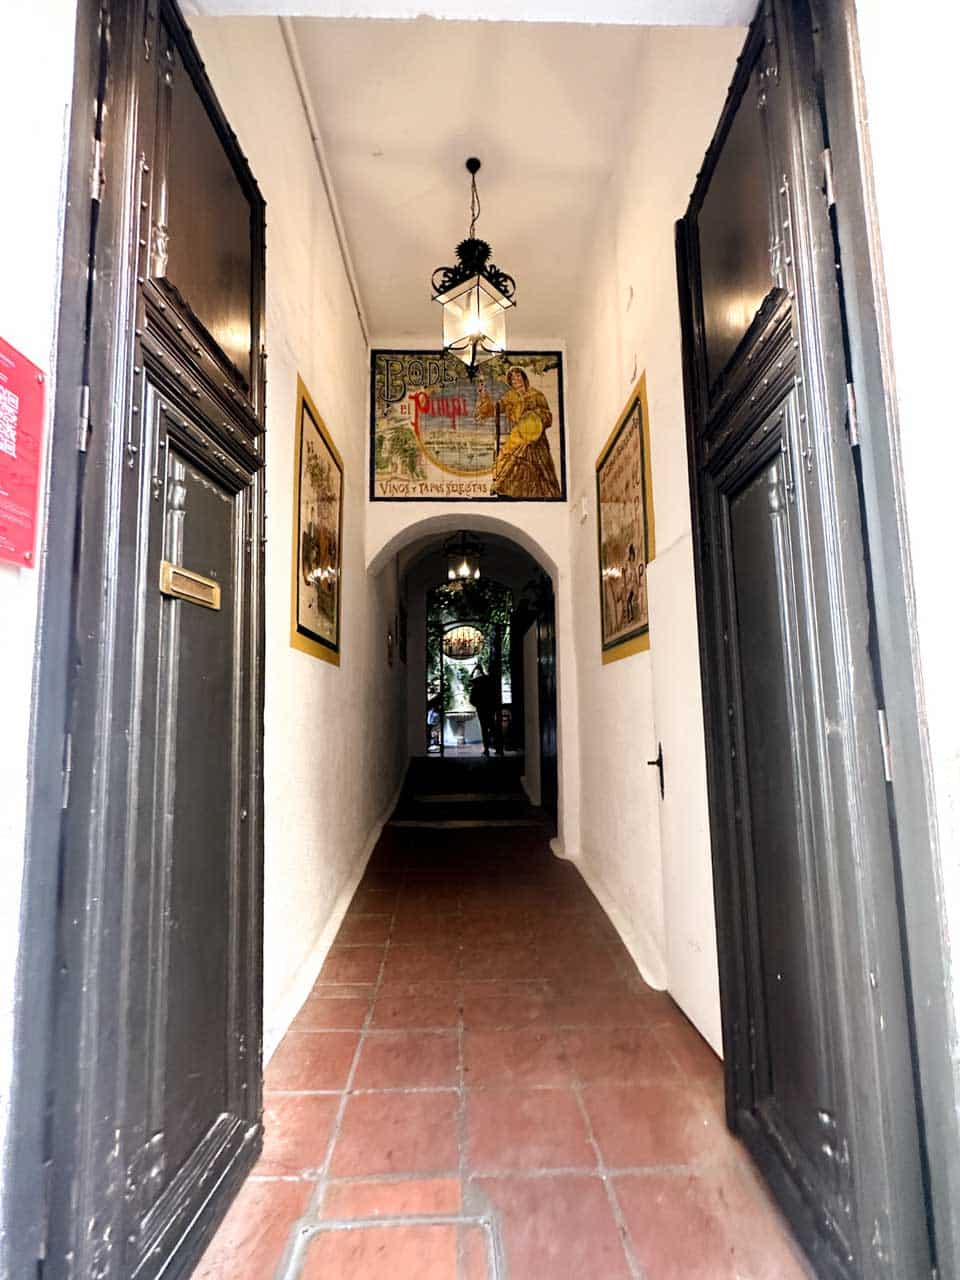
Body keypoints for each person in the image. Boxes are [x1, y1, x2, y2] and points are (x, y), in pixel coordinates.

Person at [479, 366, 561, 499]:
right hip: (518, 435)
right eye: (512, 378)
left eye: (518, 376)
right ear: (510, 381)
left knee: (539, 468)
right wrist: (484, 396)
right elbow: (495, 409)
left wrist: (535, 416)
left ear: (524, 377)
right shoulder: (510, 396)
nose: (516, 380)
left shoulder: (537, 395)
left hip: (535, 436)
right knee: (509, 462)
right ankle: (507, 491)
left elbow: (548, 416)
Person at [468, 662, 499, 756]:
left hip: (481, 708)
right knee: (492, 727)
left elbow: (470, 680)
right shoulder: (492, 680)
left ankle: (486, 749)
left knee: (484, 728)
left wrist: (475, 669)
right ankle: (497, 747)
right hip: (490, 707)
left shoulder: (478, 680)